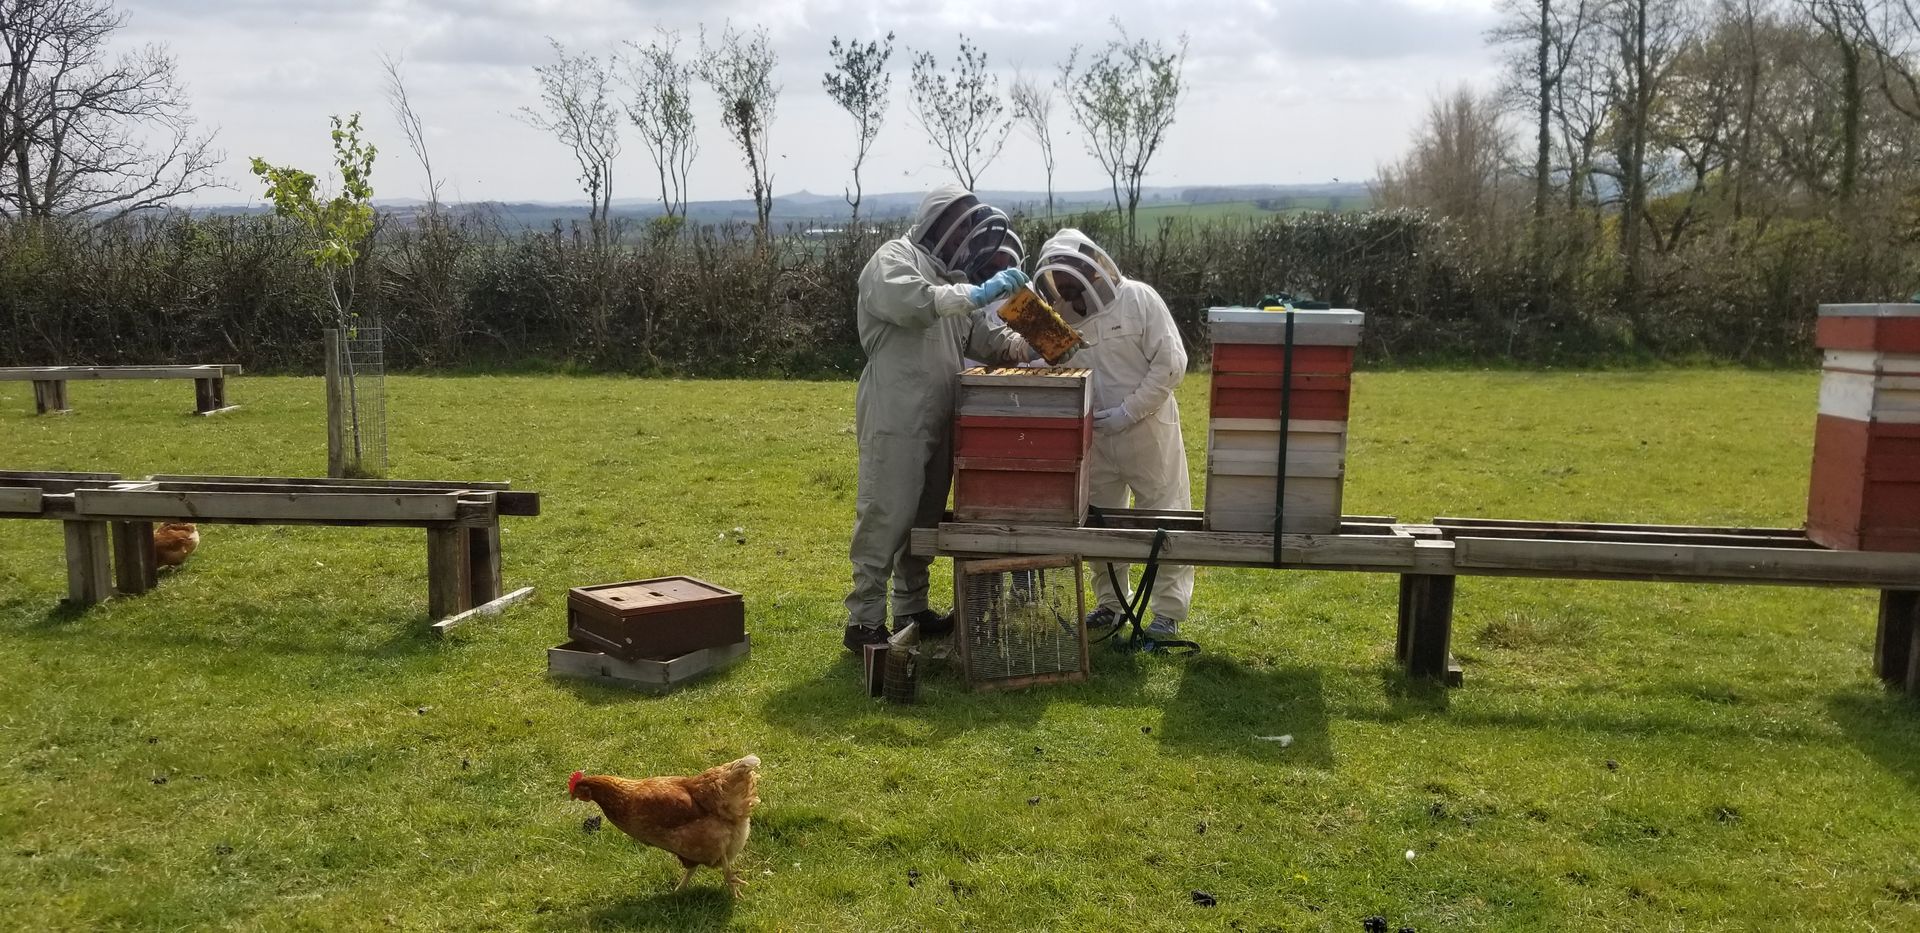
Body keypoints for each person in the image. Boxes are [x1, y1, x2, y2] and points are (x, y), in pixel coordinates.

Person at [843, 185, 1042, 652]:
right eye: (958, 230)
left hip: (941, 413)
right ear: (938, 223)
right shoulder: (893, 259)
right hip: (895, 412)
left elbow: (990, 343)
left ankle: (910, 607)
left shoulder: (955, 285)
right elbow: (916, 303)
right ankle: (864, 620)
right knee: (886, 512)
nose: (962, 242)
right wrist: (977, 292)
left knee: (925, 518)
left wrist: (1036, 343)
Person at [1032, 228, 1194, 645]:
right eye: (1060, 286)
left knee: (1165, 516)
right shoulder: (1061, 317)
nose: (1068, 292)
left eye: (1071, 282)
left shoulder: (1139, 299)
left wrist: (1128, 411)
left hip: (1149, 432)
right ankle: (1111, 604)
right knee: (1099, 522)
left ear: (1092, 269)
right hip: (1095, 438)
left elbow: (1172, 364)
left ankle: (1167, 615)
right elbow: (1051, 365)